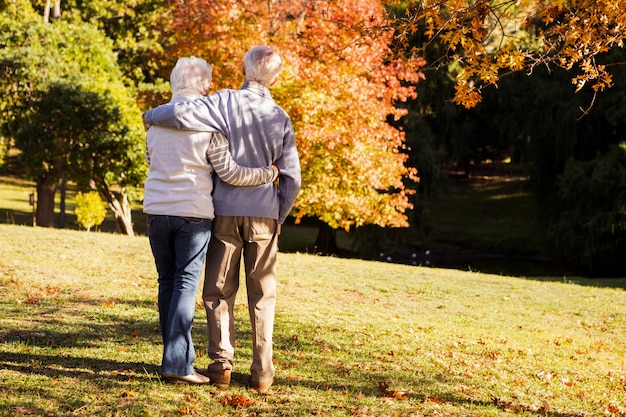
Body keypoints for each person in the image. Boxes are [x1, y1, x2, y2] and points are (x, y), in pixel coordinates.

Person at [143, 46, 301, 393]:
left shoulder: (220, 101)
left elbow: (181, 116)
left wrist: (151, 115)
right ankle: (261, 372)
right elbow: (292, 178)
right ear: (275, 78)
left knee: (217, 292)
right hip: (263, 214)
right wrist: (278, 215)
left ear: (244, 70)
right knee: (263, 295)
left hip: (223, 213)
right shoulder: (281, 116)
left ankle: (221, 366)